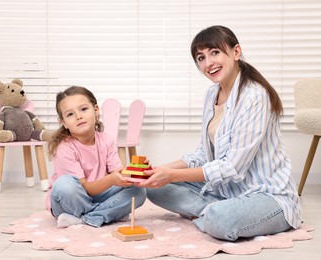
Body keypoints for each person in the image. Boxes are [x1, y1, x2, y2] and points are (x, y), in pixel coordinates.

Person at [137, 25, 301, 241]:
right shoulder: (211, 95)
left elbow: (233, 167)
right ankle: (216, 211)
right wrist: (158, 170)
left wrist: (172, 175)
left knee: (220, 219)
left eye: (215, 52)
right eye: (201, 57)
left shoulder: (254, 96)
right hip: (225, 190)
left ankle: (216, 214)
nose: (208, 63)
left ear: (236, 52)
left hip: (267, 195)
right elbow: (203, 155)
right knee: (154, 188)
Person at [45, 86, 146, 228]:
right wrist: (111, 180)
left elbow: (117, 174)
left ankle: (84, 219)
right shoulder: (65, 148)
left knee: (139, 191)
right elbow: (85, 188)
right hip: (68, 201)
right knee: (64, 184)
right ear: (63, 123)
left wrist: (137, 172)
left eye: (84, 109)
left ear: (96, 110)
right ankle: (106, 213)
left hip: (97, 195)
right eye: (70, 114)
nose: (79, 116)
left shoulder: (106, 140)